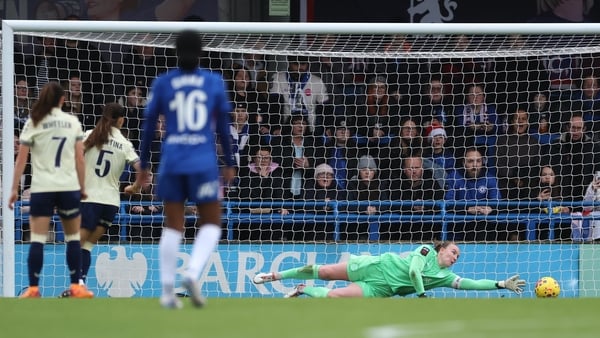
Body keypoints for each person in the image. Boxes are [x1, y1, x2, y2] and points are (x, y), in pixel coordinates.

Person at [134, 30, 235, 309]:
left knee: (173, 226)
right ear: (201, 51)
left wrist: (143, 164)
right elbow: (224, 129)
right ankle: (191, 273)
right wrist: (229, 162)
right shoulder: (213, 82)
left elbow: (148, 127)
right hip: (202, 161)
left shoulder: (164, 83)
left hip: (172, 160)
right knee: (212, 223)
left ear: (175, 52)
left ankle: (167, 291)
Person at [8, 81, 93, 298]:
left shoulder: (33, 122)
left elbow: (21, 159)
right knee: (73, 237)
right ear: (62, 100)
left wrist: (14, 188)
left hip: (42, 187)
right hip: (68, 186)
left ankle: (34, 289)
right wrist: (83, 187)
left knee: (38, 238)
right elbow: (80, 158)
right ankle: (76, 287)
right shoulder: (71, 121)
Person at [59, 102, 144, 297]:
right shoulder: (125, 144)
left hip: (89, 200)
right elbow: (143, 171)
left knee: (74, 243)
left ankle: (77, 286)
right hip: (111, 205)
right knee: (87, 245)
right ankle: (80, 286)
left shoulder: (89, 135)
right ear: (121, 120)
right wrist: (134, 188)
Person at [253, 241, 526, 298]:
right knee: (324, 271)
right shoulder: (425, 250)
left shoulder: (445, 277)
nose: (456, 257)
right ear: (441, 249)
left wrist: (500, 284)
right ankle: (274, 275)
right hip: (374, 266)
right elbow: (413, 273)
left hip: (379, 289)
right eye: (454, 251)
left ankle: (303, 290)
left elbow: (471, 283)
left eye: (459, 256)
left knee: (334, 298)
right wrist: (420, 295)